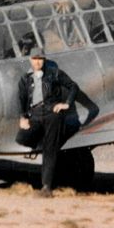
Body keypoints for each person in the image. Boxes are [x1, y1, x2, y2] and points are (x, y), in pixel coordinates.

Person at [16, 47, 78, 196]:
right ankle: (45, 142)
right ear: (30, 60)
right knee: (21, 138)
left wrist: (66, 104)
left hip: (52, 113)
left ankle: (46, 187)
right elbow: (21, 99)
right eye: (35, 59)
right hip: (35, 114)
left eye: (40, 59)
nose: (38, 62)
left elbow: (73, 87)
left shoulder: (54, 73)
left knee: (49, 150)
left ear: (44, 60)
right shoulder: (25, 78)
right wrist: (23, 118)